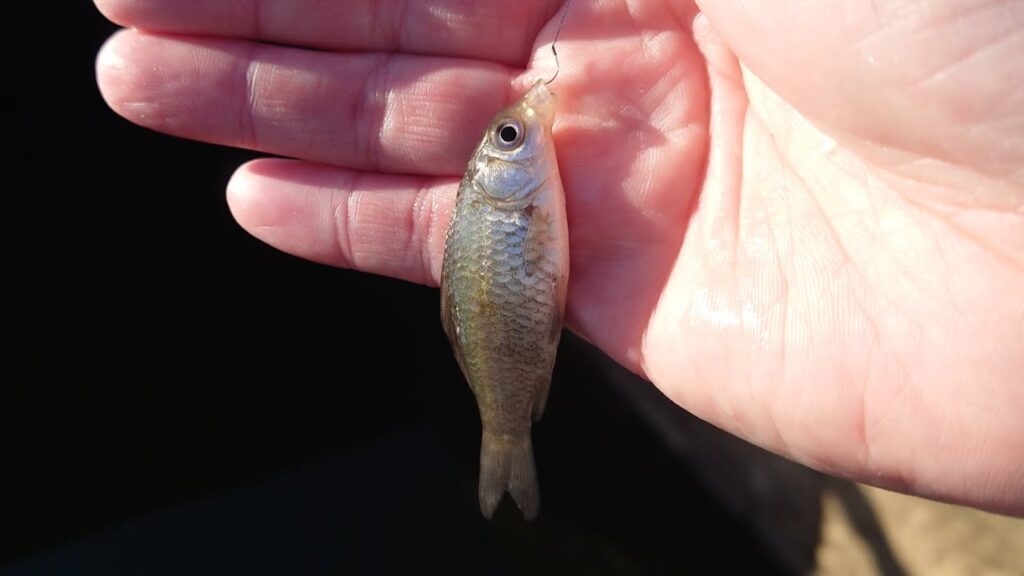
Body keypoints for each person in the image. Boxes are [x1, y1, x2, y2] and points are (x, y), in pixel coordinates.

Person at [93, 0, 1023, 516]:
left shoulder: (526, 186)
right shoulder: (512, 195)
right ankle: (509, 439)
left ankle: (508, 443)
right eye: (508, 137)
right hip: (512, 324)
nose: (521, 133)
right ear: (500, 172)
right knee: (508, 392)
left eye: (506, 135)